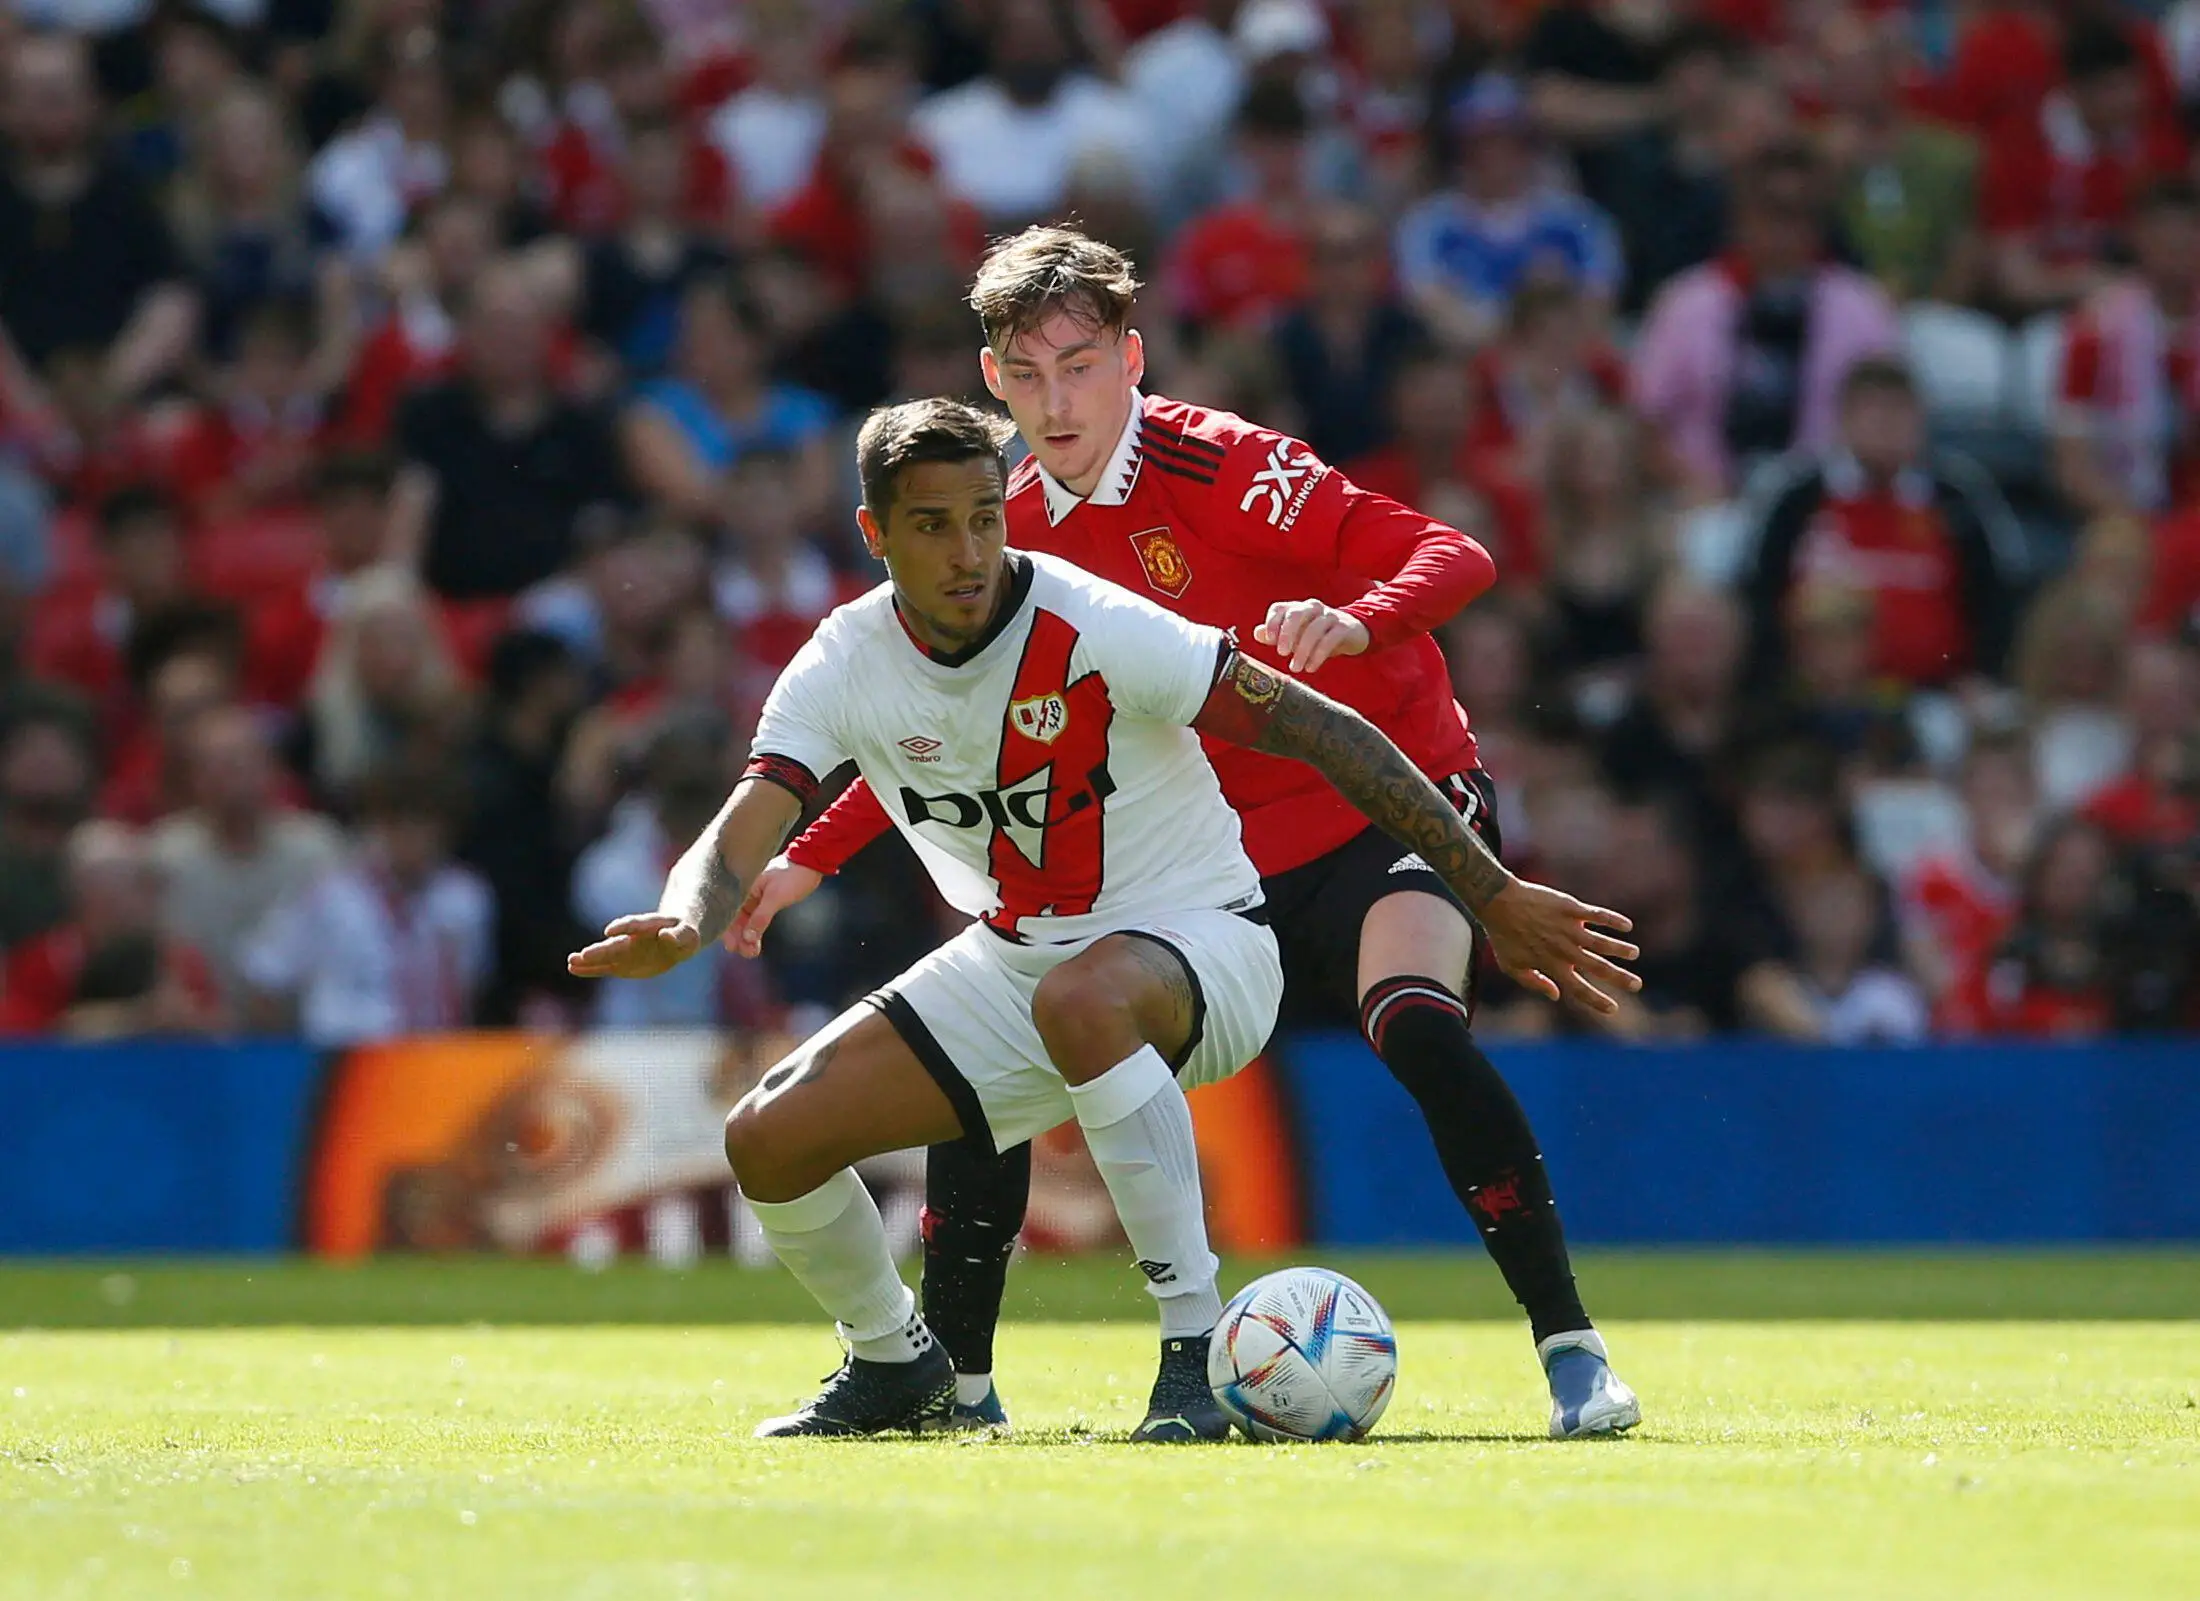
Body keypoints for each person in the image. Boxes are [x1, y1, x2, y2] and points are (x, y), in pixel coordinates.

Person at [570, 397, 1636, 1440]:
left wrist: (1489, 887)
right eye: (933, 524)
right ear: (875, 534)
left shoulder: (1094, 621)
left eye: (984, 515)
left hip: (1205, 939)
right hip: (1020, 956)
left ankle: (1192, 1344)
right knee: (766, 1136)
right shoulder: (841, 660)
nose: (967, 549)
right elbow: (747, 817)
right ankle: (903, 1363)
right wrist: (682, 915)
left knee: (1090, 997)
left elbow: (1325, 730)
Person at [1742, 358, 2027, 691]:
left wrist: (1981, 677)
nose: (1887, 425)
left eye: (1899, 411)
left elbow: (1998, 595)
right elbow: (1758, 591)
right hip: (1811, 695)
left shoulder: (1959, 497)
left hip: (1937, 695)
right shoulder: (1796, 496)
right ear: (1843, 420)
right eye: (1873, 411)